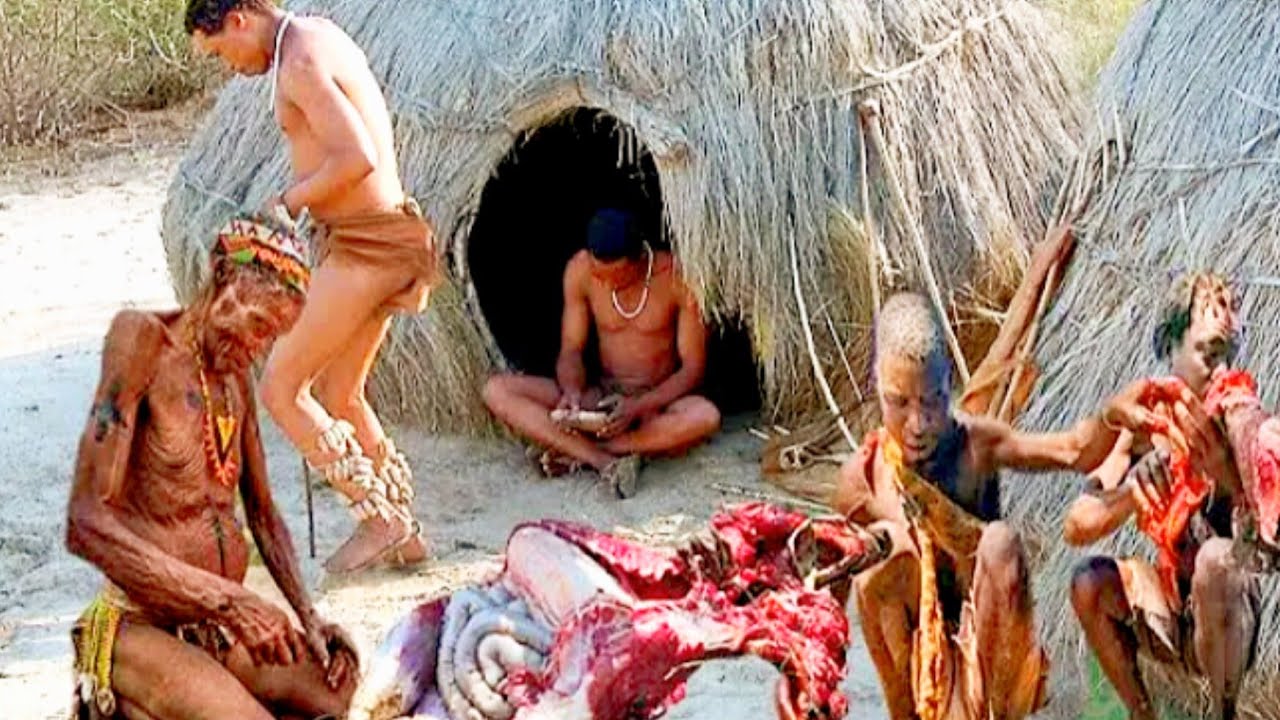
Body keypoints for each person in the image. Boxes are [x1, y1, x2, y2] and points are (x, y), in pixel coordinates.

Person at [64, 216, 357, 720]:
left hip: (212, 628)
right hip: (137, 623)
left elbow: (262, 515)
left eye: (273, 338)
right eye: (259, 326)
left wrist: (309, 617)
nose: (259, 348)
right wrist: (229, 602)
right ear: (222, 276)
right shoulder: (142, 342)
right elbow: (84, 522)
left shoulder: (233, 382)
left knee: (332, 694)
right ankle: (134, 697)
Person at [186, 0, 440, 573]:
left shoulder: (298, 60)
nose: (230, 66)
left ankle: (381, 522)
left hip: (365, 247)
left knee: (282, 387)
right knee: (341, 393)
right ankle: (406, 530)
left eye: (221, 51)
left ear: (239, 20)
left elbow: (357, 158)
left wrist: (287, 202)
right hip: (384, 237)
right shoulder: (316, 33)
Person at [830, 291, 1152, 720]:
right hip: (915, 668)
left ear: (950, 386)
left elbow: (1074, 449)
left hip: (991, 661)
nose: (918, 424)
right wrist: (808, 682)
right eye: (899, 402)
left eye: (932, 401)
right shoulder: (862, 478)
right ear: (876, 385)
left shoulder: (974, 446)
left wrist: (1114, 415)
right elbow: (829, 591)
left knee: (1000, 543)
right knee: (878, 555)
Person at [1064, 272, 1262, 720]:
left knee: (1216, 559)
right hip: (1174, 612)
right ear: (1170, 348)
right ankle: (1142, 714)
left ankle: (1223, 714)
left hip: (1233, 621)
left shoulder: (1241, 419)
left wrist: (1225, 475)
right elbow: (1076, 525)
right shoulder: (1144, 426)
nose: (1221, 370)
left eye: (1227, 354)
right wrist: (1135, 493)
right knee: (1088, 582)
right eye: (1208, 354)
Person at [482, 208, 721, 498]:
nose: (606, 284)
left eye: (616, 278)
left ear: (639, 262)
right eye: (600, 276)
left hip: (654, 403)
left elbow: (692, 369)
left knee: (705, 416)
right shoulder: (580, 270)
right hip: (601, 397)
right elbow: (571, 350)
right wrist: (571, 392)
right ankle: (602, 461)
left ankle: (589, 450)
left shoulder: (676, 279)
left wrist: (639, 405)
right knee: (497, 390)